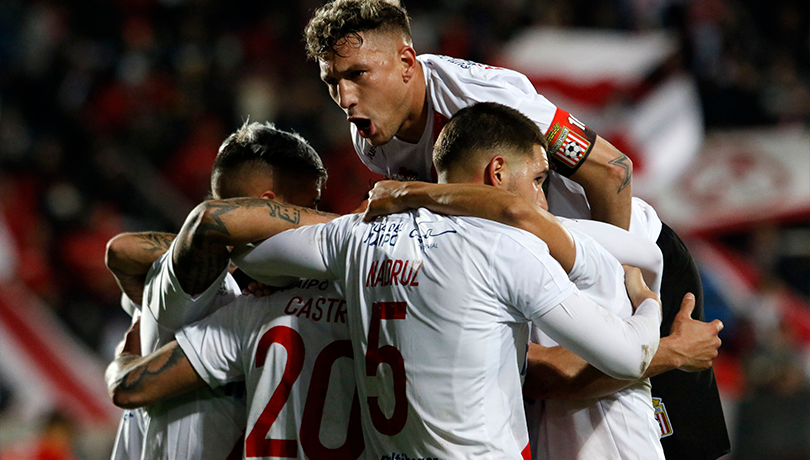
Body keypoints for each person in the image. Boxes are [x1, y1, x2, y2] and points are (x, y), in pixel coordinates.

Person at [304, 2, 729, 458]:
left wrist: (617, 290)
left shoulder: (480, 95)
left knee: (671, 443)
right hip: (534, 273)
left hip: (628, 261)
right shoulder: (372, 134)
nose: (345, 98)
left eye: (358, 75)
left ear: (407, 63)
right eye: (333, 82)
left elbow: (612, 170)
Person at [359, 102, 724, 459]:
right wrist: (671, 345)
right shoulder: (553, 248)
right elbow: (552, 375)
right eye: (538, 181)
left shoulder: (385, 249)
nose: (544, 203)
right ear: (496, 174)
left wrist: (410, 196)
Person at [104, 121, 335, 460]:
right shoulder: (199, 282)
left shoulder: (270, 286)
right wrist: (349, 228)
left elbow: (123, 252)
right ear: (267, 204)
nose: (314, 216)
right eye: (309, 206)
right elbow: (203, 223)